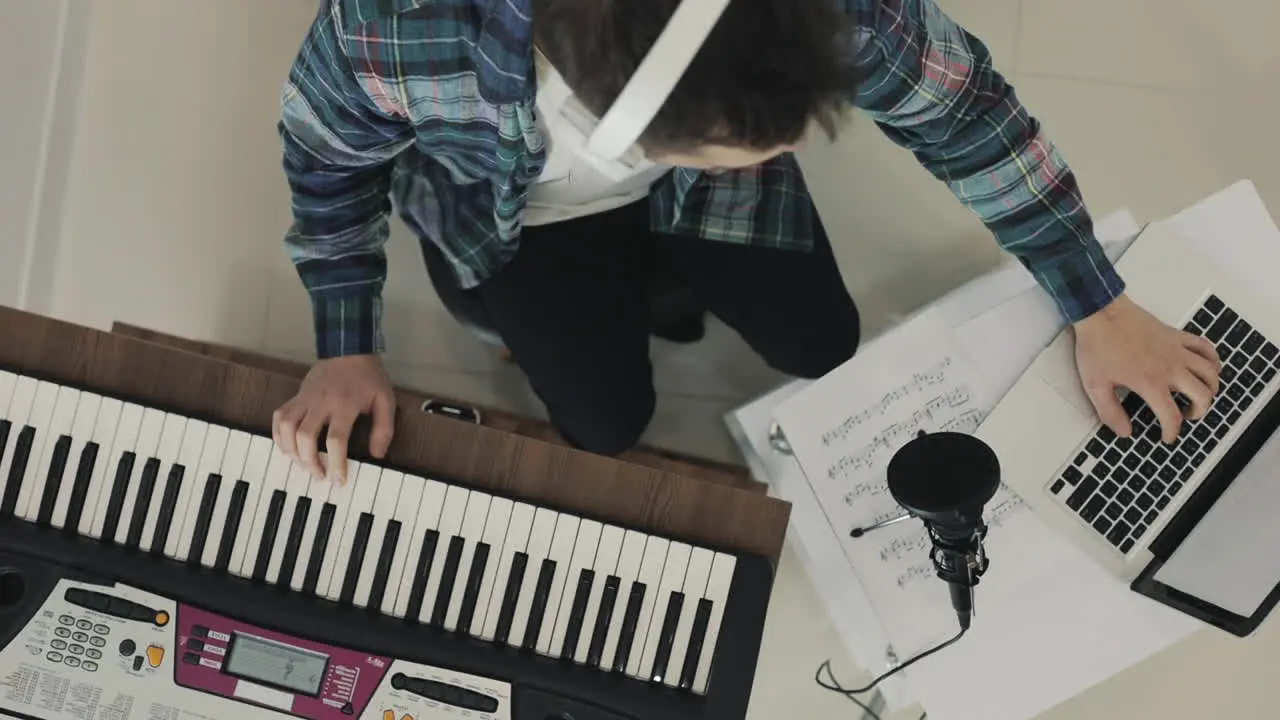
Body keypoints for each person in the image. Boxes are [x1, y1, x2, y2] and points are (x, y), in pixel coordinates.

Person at [272, 0, 1221, 482]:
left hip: (676, 184)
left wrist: (1095, 295)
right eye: (754, 144)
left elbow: (964, 112)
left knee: (823, 341)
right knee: (602, 426)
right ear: (622, 120)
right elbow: (326, 165)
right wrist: (345, 343)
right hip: (503, 212)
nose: (795, 147)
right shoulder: (395, 30)